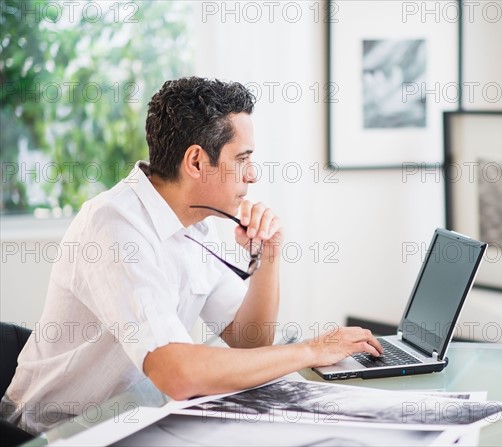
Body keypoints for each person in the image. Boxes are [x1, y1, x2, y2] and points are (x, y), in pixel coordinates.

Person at [1, 77, 383, 435]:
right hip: (55, 433)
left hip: (131, 418)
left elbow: (250, 341)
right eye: (242, 159)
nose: (252, 175)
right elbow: (177, 373)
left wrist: (268, 253)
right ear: (197, 161)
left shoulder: (197, 222)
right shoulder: (114, 227)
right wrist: (310, 350)